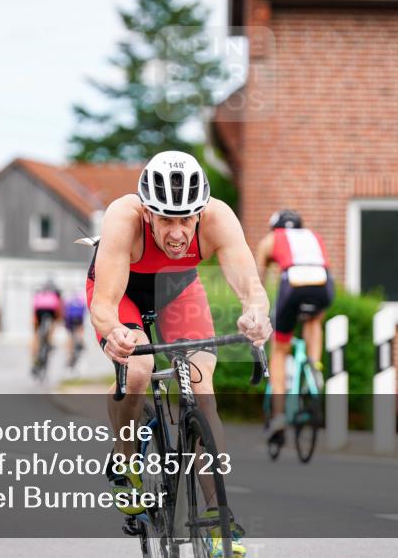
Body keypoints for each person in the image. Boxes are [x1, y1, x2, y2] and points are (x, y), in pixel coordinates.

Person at [87, 150, 271, 557]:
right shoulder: (123, 218)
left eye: (185, 219)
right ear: (147, 213)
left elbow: (251, 287)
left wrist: (256, 315)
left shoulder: (219, 217)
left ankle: (219, 518)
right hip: (124, 291)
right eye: (166, 219)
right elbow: (104, 303)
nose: (176, 232)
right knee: (139, 368)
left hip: (177, 289)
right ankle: (126, 460)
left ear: (200, 213)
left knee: (204, 392)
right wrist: (114, 333)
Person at [254, 209, 334, 445]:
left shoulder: (271, 239)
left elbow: (258, 280)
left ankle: (278, 416)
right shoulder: (313, 236)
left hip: (293, 283)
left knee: (279, 350)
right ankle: (314, 368)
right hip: (323, 282)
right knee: (314, 320)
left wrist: (259, 307)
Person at [30, 279, 62, 365]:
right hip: (51, 308)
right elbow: (59, 307)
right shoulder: (56, 292)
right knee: (53, 324)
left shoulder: (40, 291)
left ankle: (33, 359)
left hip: (39, 309)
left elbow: (34, 307)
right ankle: (50, 341)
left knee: (36, 334)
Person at [63, 290, 87, 367]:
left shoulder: (68, 299)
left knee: (69, 336)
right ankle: (81, 342)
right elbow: (84, 311)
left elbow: (65, 311)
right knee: (80, 329)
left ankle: (69, 355)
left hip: (70, 319)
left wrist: (66, 324)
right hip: (79, 318)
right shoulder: (81, 297)